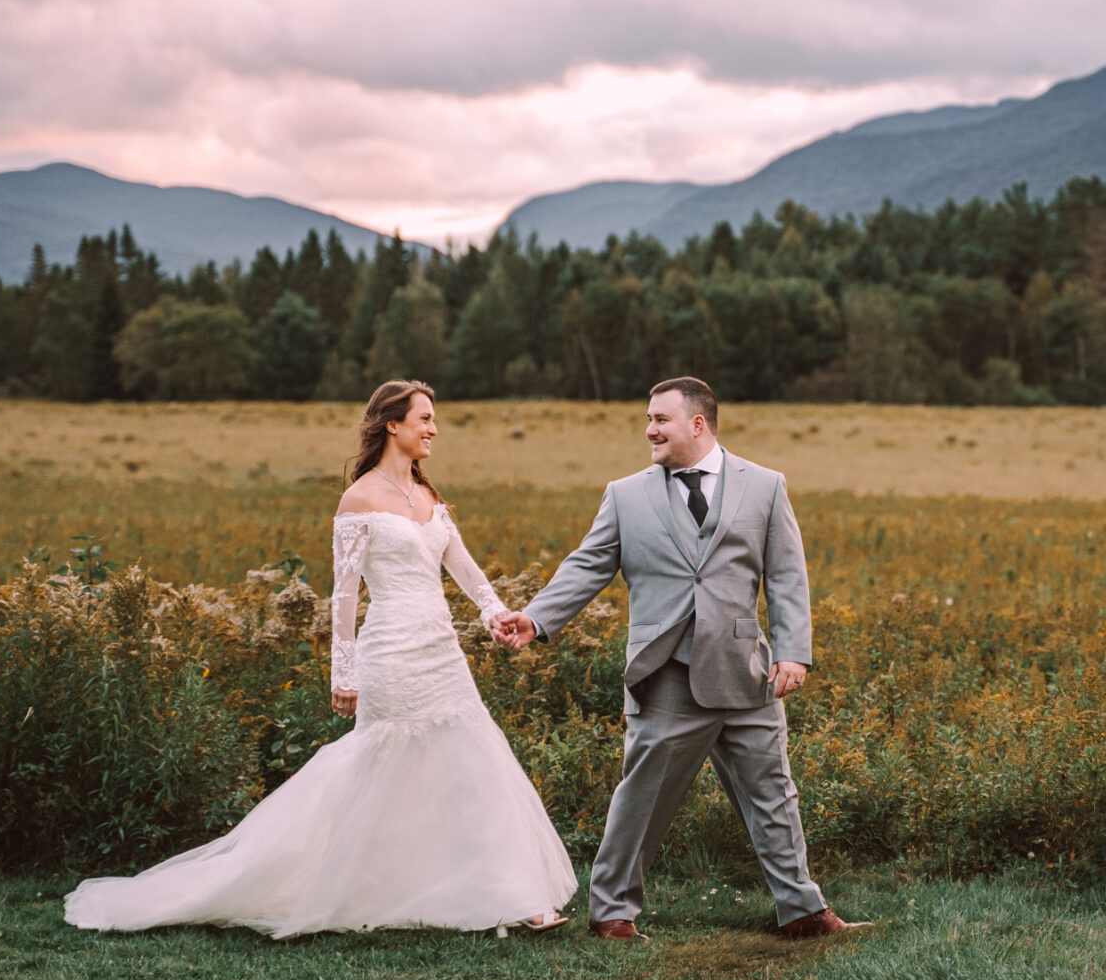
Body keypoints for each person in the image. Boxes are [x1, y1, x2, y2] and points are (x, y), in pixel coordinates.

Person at [65, 380, 577, 938]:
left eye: (434, 420)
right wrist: (345, 671)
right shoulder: (358, 499)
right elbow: (345, 594)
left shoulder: (431, 499)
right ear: (392, 425)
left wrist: (496, 615)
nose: (433, 429)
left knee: (475, 769)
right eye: (424, 419)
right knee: (379, 769)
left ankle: (512, 895)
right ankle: (342, 886)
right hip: (390, 652)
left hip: (441, 653)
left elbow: (466, 571)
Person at [490, 376, 869, 940]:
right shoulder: (626, 494)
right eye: (647, 419)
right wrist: (538, 617)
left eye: (660, 419)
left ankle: (803, 910)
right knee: (642, 797)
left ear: (698, 423)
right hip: (663, 673)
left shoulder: (764, 486)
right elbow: (588, 564)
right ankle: (612, 912)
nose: (649, 429)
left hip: (749, 672)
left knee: (774, 795)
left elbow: (786, 573)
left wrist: (793, 653)